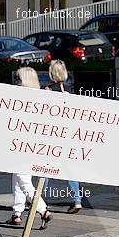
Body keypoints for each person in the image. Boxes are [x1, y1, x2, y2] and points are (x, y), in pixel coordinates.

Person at [7, 67, 52, 229]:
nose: (15, 82)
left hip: (22, 145)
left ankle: (43, 210)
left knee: (24, 181)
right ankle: (17, 213)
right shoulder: (42, 98)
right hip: (36, 145)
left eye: (17, 79)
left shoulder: (21, 100)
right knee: (18, 178)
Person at [44, 59, 82, 214]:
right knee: (70, 170)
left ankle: (40, 200)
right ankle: (77, 200)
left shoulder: (47, 90)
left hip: (52, 135)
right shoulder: (69, 91)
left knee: (45, 170)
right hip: (68, 136)